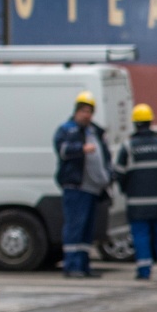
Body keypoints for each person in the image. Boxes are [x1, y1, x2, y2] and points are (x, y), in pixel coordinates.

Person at [53, 92, 114, 278]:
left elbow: (106, 156)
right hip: (76, 187)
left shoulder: (95, 131)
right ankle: (72, 266)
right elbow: (62, 150)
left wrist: (108, 176)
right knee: (75, 227)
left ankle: (84, 265)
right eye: (83, 111)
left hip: (93, 188)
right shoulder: (67, 129)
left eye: (89, 112)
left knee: (87, 230)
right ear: (76, 111)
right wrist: (81, 149)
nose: (86, 115)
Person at [115, 103, 157, 280]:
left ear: (135, 123)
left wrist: (126, 190)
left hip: (137, 203)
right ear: (151, 122)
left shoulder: (128, 147)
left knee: (141, 235)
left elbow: (119, 174)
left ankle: (144, 271)